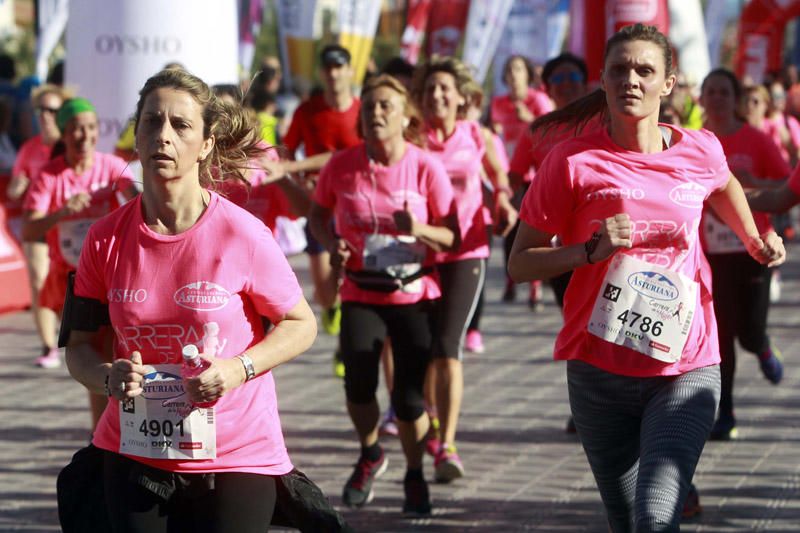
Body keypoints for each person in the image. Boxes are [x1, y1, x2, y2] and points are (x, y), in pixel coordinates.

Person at [508, 24, 785, 531]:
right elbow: (519, 261)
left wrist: (753, 239)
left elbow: (724, 184)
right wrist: (589, 251)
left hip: (685, 365)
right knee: (624, 518)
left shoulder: (699, 149)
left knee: (655, 518)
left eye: (644, 71)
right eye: (619, 69)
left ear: (668, 84)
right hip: (599, 370)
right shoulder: (571, 162)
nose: (630, 80)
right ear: (604, 80)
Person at [63, 68, 319, 531]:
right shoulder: (104, 239)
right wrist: (107, 378)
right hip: (136, 447)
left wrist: (236, 369)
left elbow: (302, 324)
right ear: (135, 137)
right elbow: (79, 347)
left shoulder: (242, 233)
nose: (163, 135)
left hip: (237, 452)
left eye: (180, 125)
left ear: (205, 144)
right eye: (151, 122)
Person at [309, 74, 458, 515]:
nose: (375, 113)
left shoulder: (425, 167)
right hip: (361, 291)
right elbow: (318, 214)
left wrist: (421, 230)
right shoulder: (342, 165)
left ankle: (414, 474)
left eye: (386, 106)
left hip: (414, 295)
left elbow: (451, 236)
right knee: (357, 385)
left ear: (406, 115)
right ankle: (371, 451)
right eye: (369, 106)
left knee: (409, 399)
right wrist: (330, 240)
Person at [413, 56, 517, 483]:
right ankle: (432, 422)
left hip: (467, 250)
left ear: (460, 97)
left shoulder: (479, 135)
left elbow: (500, 177)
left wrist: (504, 200)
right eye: (429, 90)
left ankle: (448, 446)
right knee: (422, 352)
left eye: (444, 88)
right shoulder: (412, 140)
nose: (437, 95)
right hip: (418, 252)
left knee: (447, 346)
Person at [699, 69, 788, 441]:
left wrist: (749, 184)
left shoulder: (757, 139)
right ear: (701, 99)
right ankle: (725, 412)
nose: (717, 98)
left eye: (724, 91)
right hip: (711, 253)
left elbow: (787, 183)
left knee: (748, 332)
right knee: (721, 335)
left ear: (736, 99)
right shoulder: (695, 142)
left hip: (754, 247)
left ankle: (763, 346)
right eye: (711, 92)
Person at [22, 97, 137, 375]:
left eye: (90, 127)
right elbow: (29, 229)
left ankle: (112, 406)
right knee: (87, 354)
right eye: (76, 128)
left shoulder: (111, 166)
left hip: (108, 274)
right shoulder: (50, 175)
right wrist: (62, 212)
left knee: (107, 350)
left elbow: (139, 204)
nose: (84, 136)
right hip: (68, 279)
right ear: (64, 133)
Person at [267, 44, 362, 377]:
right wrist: (296, 176)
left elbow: (344, 158)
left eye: (340, 67)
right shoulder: (309, 111)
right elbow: (286, 153)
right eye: (329, 68)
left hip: (355, 207)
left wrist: (304, 164)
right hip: (319, 206)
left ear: (350, 70)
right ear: (323, 72)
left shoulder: (362, 112)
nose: (334, 74)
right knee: (323, 290)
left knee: (354, 280)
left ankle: (346, 345)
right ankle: (332, 307)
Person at [6, 84, 68, 366]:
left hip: (69, 225)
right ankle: (48, 346)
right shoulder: (29, 148)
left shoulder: (72, 144)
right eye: (40, 110)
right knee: (39, 280)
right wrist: (19, 187)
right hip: (39, 223)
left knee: (72, 285)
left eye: (51, 110)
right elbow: (14, 191)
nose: (44, 115)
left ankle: (76, 337)